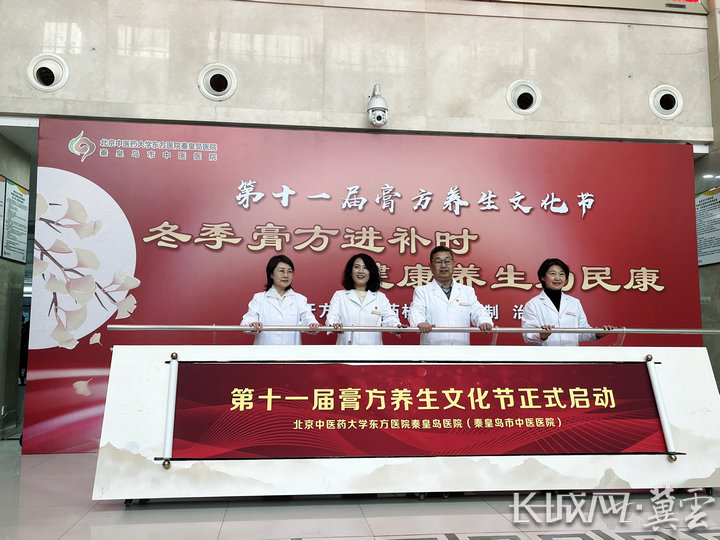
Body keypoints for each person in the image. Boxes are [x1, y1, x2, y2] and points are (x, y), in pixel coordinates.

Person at [408, 246, 493, 345]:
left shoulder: (467, 291)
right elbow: (416, 311)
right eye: (438, 262)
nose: (443, 265)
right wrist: (420, 322)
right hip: (433, 350)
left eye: (447, 261)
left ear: (453, 264)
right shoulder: (422, 291)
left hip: (460, 349)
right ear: (430, 266)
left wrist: (484, 322)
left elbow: (478, 311)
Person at [521, 257, 615, 346]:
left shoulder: (574, 302)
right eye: (553, 273)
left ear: (566, 279)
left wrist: (598, 334)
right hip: (546, 356)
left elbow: (582, 332)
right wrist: (541, 335)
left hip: (571, 355)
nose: (557, 278)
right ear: (543, 277)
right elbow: (528, 335)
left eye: (561, 274)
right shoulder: (532, 304)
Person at [326, 253, 404, 344]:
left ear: (371, 272)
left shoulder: (380, 297)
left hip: (373, 351)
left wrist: (396, 326)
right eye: (357, 267)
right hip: (347, 350)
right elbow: (332, 317)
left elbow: (390, 318)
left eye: (365, 268)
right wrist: (334, 324)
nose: (361, 271)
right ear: (350, 271)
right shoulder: (340, 295)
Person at [241, 255, 319, 344]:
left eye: (289, 271)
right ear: (271, 274)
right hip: (265, 351)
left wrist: (312, 324)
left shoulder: (300, 299)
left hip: (291, 351)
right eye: (281, 271)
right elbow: (247, 321)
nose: (286, 275)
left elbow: (309, 319)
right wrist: (253, 324)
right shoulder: (259, 298)